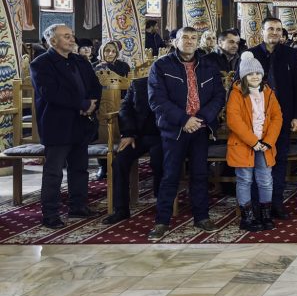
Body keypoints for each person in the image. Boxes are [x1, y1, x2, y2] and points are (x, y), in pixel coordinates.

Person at [147, 26, 226, 240]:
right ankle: (162, 221)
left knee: (200, 174)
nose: (189, 41)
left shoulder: (208, 65)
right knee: (170, 175)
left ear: (198, 42)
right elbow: (157, 100)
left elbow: (219, 96)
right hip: (175, 128)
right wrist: (184, 120)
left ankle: (202, 217)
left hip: (201, 127)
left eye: (193, 38)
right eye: (185, 38)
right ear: (175, 41)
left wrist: (201, 119)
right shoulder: (161, 66)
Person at [30, 24, 102, 228]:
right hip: (57, 124)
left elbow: (95, 86)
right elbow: (50, 93)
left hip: (81, 122)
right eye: (67, 36)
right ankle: (50, 214)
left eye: (72, 36)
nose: (72, 40)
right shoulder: (41, 64)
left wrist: (92, 104)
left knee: (80, 168)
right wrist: (82, 105)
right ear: (53, 41)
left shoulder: (81, 61)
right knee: (54, 172)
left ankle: (78, 206)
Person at [250, 17, 297, 219]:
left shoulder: (291, 54)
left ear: (282, 33)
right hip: (256, 118)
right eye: (270, 29)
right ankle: (258, 204)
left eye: (278, 29)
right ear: (262, 32)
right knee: (258, 161)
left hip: (282, 116)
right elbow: (241, 86)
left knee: (279, 160)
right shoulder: (251, 54)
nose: (274, 32)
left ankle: (276, 203)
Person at [226, 52, 283, 232]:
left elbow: (277, 118)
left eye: (258, 73)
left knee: (265, 180)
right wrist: (253, 141)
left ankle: (266, 215)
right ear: (244, 76)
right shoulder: (236, 93)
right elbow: (234, 120)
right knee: (244, 180)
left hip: (265, 145)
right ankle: (248, 218)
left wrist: (268, 141)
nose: (255, 76)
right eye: (250, 74)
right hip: (243, 144)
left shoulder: (269, 93)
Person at [103, 74, 164, 225]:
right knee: (119, 162)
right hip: (137, 136)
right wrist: (128, 133)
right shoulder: (138, 84)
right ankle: (121, 209)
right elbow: (125, 109)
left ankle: (162, 202)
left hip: (163, 136)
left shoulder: (174, 82)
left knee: (159, 160)